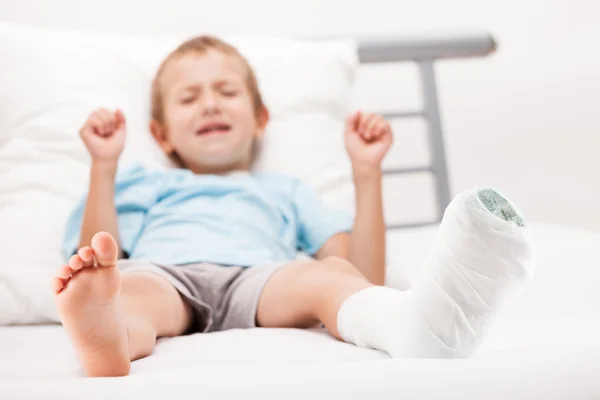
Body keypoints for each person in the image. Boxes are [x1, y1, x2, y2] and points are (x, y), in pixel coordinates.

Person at [53, 36, 534, 377]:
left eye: (227, 92)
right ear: (160, 135)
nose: (210, 106)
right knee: (129, 292)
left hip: (262, 280)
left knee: (328, 275)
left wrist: (366, 175)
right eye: (188, 97)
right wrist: (104, 166)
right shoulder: (147, 182)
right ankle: (109, 336)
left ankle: (406, 326)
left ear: (260, 119)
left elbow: (361, 269)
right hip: (167, 276)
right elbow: (94, 250)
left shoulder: (284, 189)